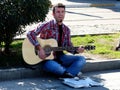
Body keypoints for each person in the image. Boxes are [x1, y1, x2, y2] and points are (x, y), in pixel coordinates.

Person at [27, 3, 86, 78]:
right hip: (47, 60)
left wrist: (76, 50)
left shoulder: (66, 30)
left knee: (82, 59)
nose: (60, 14)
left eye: (62, 12)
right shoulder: (46, 25)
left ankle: (66, 74)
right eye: (58, 12)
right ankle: (70, 73)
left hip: (61, 58)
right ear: (53, 14)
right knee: (54, 67)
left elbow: (67, 46)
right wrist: (39, 48)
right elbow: (30, 33)